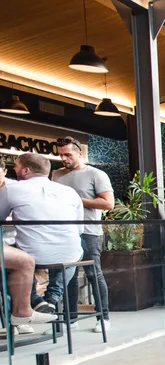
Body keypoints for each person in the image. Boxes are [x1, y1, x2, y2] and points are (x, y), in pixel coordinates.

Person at [0, 154, 82, 315]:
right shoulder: (70, 191)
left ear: (26, 170)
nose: (13, 169)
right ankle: (52, 297)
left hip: (33, 255)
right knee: (77, 252)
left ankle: (31, 302)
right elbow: (80, 228)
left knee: (12, 258)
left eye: (15, 166)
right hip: (70, 252)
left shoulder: (10, 189)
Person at [52, 138, 113, 332]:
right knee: (67, 275)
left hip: (88, 232)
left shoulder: (96, 174)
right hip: (64, 232)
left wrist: (77, 200)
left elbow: (108, 203)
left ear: (80, 153)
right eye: (61, 155)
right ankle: (71, 320)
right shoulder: (56, 175)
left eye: (68, 154)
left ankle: (103, 317)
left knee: (93, 274)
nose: (64, 158)